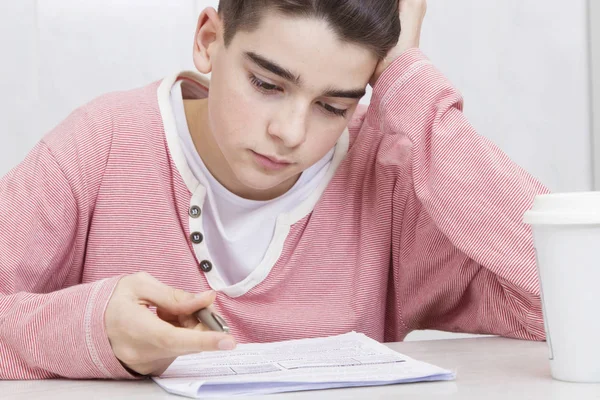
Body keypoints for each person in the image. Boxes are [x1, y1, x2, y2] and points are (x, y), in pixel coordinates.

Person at [0, 0, 548, 380]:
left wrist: (410, 83)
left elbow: (571, 297)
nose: (289, 132)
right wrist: (94, 330)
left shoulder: (383, 176)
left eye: (333, 106)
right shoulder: (102, 144)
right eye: (266, 84)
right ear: (209, 40)